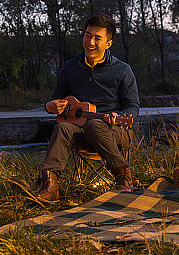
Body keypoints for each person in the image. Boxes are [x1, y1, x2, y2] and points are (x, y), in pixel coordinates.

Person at [36, 13, 140, 201]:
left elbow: (133, 107)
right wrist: (50, 106)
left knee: (94, 125)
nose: (90, 42)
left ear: (108, 43)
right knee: (62, 127)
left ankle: (123, 177)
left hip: (116, 131)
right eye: (87, 35)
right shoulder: (70, 67)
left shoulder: (122, 70)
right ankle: (50, 185)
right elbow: (55, 99)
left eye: (97, 38)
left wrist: (118, 115)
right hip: (80, 133)